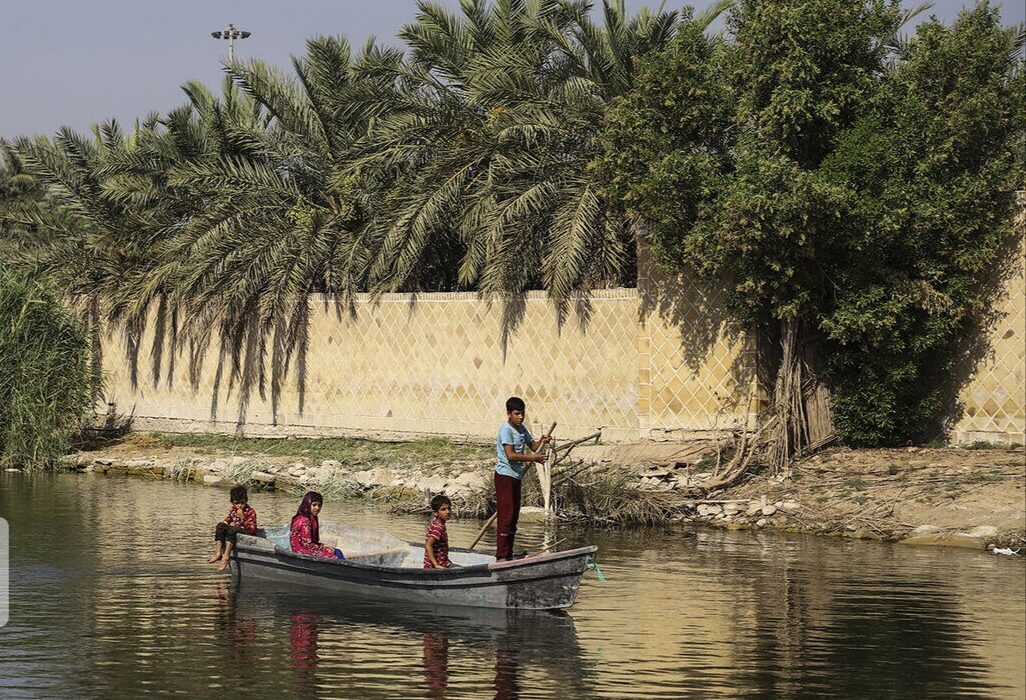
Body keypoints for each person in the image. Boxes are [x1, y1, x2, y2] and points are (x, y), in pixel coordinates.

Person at [494, 396, 551, 561]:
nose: (520, 417)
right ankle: (501, 556)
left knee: (513, 515)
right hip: (505, 476)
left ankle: (508, 553)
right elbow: (511, 455)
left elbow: (533, 446)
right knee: (506, 515)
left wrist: (542, 441)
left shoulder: (521, 429)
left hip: (516, 476)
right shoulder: (506, 430)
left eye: (522, 414)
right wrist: (534, 458)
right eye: (517, 414)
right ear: (509, 414)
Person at [208, 485, 257, 572]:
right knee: (220, 526)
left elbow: (252, 530)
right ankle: (218, 553)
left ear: (246, 500)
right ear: (232, 503)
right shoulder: (233, 510)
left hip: (247, 532)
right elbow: (228, 519)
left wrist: (242, 518)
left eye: (242, 503)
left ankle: (226, 557)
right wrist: (222, 529)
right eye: (236, 503)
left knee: (233, 529)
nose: (239, 506)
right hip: (235, 531)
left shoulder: (250, 511)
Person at [290, 491, 345, 560]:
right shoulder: (304, 521)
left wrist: (323, 546)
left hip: (303, 549)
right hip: (302, 551)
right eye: (314, 505)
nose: (317, 508)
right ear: (307, 505)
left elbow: (312, 542)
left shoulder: (311, 518)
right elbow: (307, 545)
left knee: (337, 551)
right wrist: (323, 547)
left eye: (319, 505)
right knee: (335, 556)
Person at [423, 494, 453, 569]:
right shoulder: (439, 527)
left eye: (449, 508)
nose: (447, 512)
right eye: (443, 509)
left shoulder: (436, 521)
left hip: (439, 561)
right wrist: (436, 565)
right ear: (435, 513)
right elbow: (428, 545)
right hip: (437, 565)